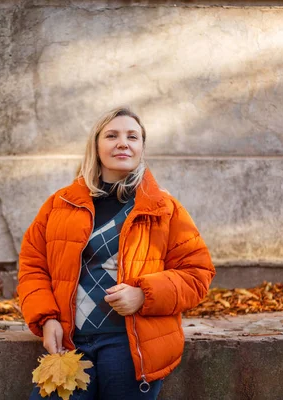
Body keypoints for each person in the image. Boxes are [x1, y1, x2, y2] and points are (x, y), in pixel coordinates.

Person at [18, 106, 216, 399]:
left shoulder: (165, 209)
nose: (123, 142)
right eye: (112, 135)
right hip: (71, 345)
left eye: (132, 137)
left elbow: (197, 275)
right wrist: (46, 319)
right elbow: (33, 267)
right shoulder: (59, 205)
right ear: (96, 147)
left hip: (132, 345)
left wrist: (143, 295)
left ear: (141, 149)